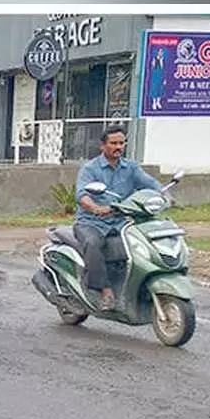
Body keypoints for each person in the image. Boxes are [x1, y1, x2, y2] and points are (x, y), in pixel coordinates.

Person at [74, 125, 163, 311]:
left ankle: (136, 288)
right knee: (92, 243)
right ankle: (105, 291)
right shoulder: (90, 169)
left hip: (121, 222)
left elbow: (150, 184)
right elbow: (82, 195)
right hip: (91, 222)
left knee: (142, 245)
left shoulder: (130, 168)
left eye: (121, 143)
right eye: (113, 143)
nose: (118, 147)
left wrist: (164, 196)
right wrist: (96, 208)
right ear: (103, 146)